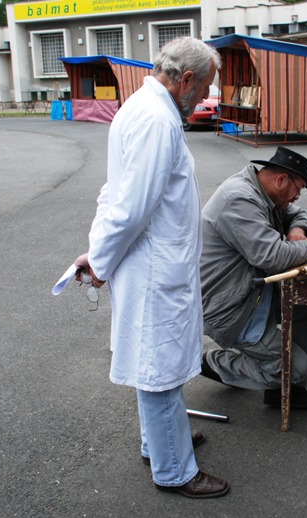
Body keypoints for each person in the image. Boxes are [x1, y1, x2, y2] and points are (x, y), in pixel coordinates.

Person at [73, 36, 230, 498]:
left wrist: (96, 250)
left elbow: (115, 193)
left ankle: (159, 442)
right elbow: (131, 206)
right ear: (185, 80)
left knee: (155, 362)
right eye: (202, 91)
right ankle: (174, 469)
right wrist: (99, 260)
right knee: (158, 366)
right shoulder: (157, 120)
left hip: (156, 264)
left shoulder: (141, 107)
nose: (203, 99)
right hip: (155, 268)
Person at [199, 146, 307, 408]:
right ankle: (213, 363)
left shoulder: (263, 191)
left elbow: (297, 213)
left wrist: (297, 230)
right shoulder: (239, 199)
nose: (297, 197)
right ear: (281, 180)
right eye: (298, 189)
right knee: (296, 369)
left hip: (256, 295)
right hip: (230, 308)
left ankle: (284, 385)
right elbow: (271, 257)